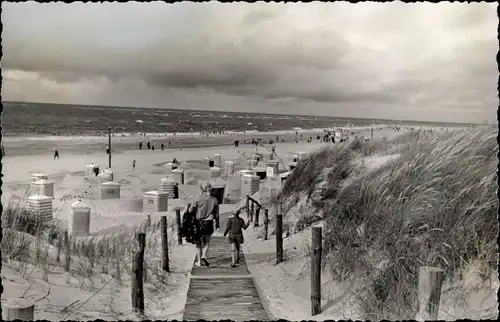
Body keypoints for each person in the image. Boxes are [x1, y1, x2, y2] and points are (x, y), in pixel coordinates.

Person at [188, 181, 220, 267]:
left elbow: (190, 210)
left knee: (198, 242)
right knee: (207, 241)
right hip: (209, 222)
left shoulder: (198, 198)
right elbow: (216, 214)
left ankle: (199, 261)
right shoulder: (214, 200)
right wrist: (217, 224)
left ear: (201, 188)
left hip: (199, 222)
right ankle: (204, 255)